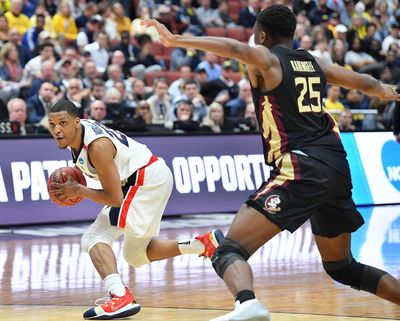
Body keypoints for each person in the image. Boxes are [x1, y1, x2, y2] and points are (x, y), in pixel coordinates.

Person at [143, 5, 400, 321]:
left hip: (303, 165)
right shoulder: (313, 63)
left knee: (228, 249)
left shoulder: (267, 60)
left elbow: (235, 48)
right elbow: (363, 82)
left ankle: (247, 304)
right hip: (336, 166)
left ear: (261, 36)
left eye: (254, 35)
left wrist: (175, 39)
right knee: (342, 266)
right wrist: (388, 91)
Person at [47, 99, 223, 320]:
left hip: (144, 180)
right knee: (135, 255)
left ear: (76, 122)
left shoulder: (97, 147)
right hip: (150, 176)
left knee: (94, 237)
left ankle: (119, 297)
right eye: (52, 125)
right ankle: (202, 244)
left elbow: (114, 198)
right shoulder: (79, 135)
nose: (57, 130)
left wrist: (80, 190)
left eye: (62, 123)